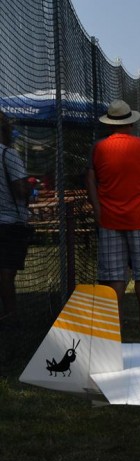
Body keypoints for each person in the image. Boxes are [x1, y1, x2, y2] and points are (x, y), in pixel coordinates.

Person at [85, 99, 140, 332]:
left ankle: (114, 324)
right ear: (131, 122)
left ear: (109, 124)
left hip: (109, 219)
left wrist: (97, 209)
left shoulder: (99, 148)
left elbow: (91, 179)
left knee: (113, 276)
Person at [0, 110, 32, 324]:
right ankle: (10, 315)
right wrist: (29, 188)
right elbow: (20, 189)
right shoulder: (8, 154)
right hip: (10, 222)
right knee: (6, 271)